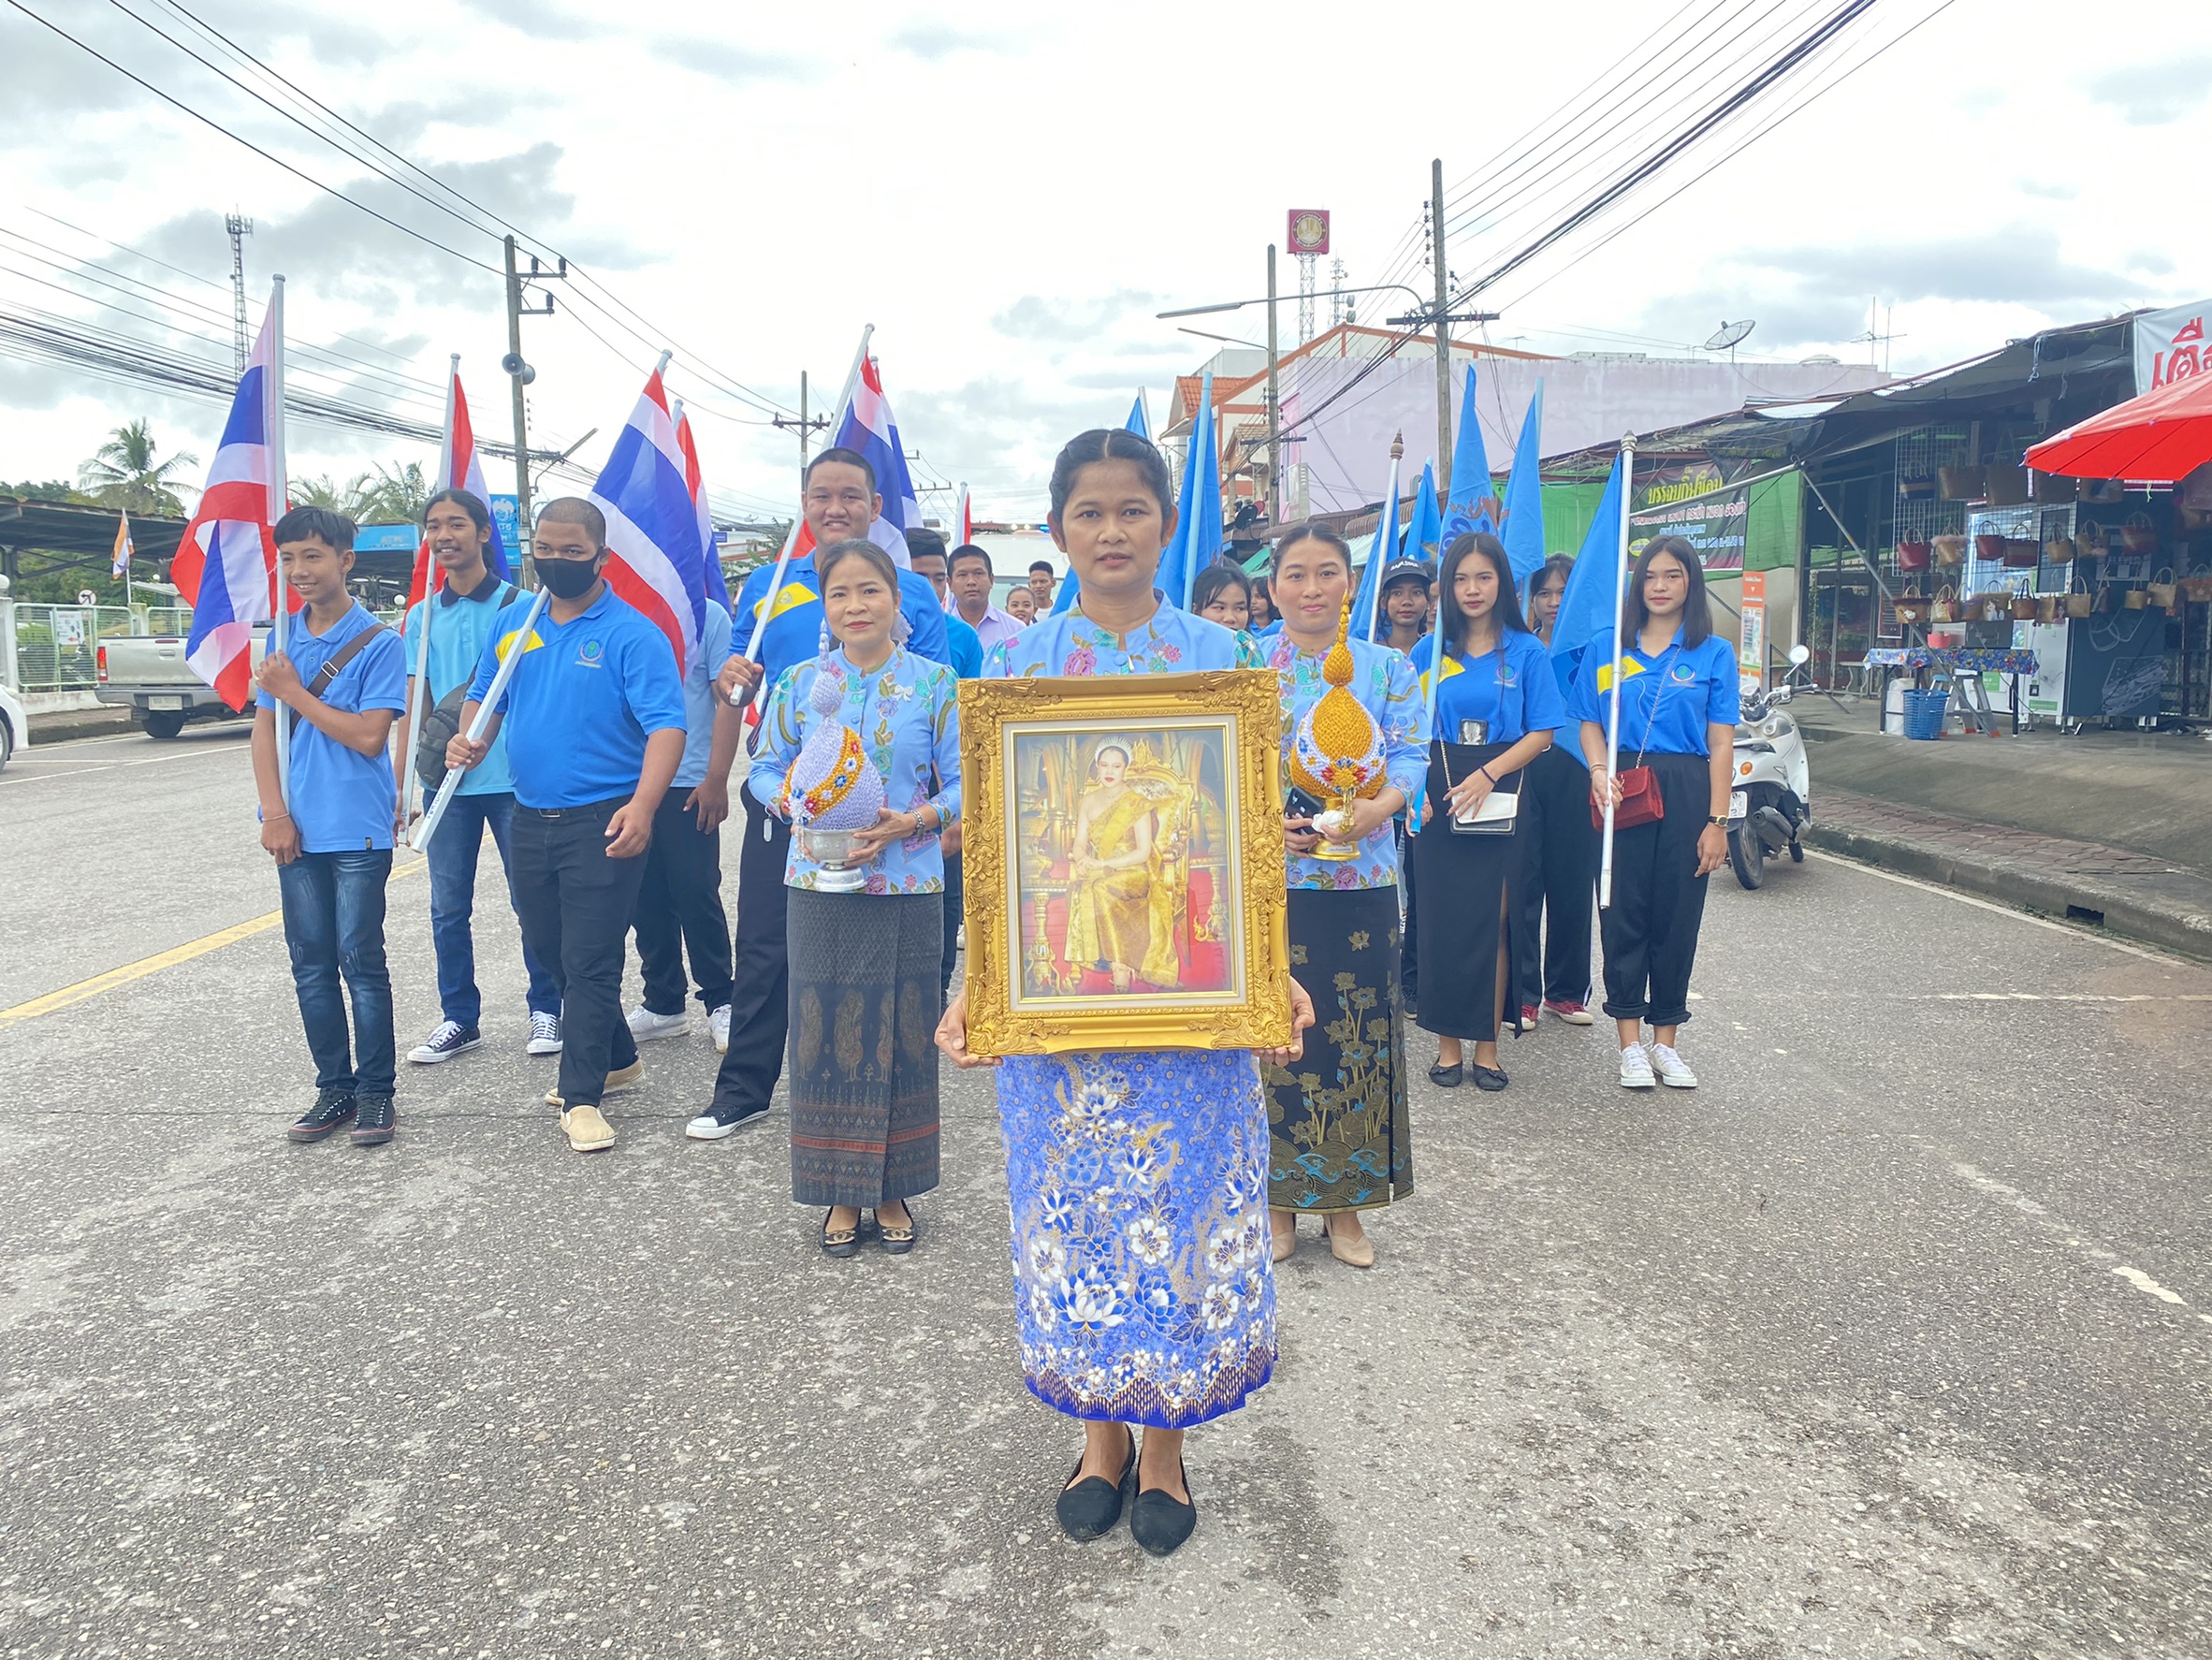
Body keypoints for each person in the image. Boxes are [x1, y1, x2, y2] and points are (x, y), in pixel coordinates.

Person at [938, 427, 1315, 1560]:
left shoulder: (1223, 660)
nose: (1111, 532)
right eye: (1089, 513)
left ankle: (1167, 1445)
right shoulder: (1016, 672)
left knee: (1180, 1215)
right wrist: (977, 980)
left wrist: (1274, 965)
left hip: (1187, 994)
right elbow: (1001, 854)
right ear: (1058, 529)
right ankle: (1098, 1437)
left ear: (1165, 524)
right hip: (1062, 1004)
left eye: (1132, 511)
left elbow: (1251, 843)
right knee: (1078, 1218)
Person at [707, 449, 952, 1140]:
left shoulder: (915, 594)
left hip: (897, 837)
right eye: (821, 494)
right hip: (797, 816)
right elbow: (740, 696)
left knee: (899, 997)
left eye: (851, 495)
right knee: (765, 948)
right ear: (804, 502)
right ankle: (745, 1088)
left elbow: (939, 704)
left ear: (876, 507)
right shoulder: (765, 582)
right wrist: (754, 781)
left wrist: (925, 816)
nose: (835, 506)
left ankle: (895, 1145)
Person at [446, 498, 687, 1153]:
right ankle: (617, 1057)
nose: (556, 562)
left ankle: (581, 1096)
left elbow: (667, 724)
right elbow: (485, 694)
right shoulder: (517, 623)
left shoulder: (632, 634)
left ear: (601, 558)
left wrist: (642, 806)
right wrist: (468, 738)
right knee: (550, 949)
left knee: (590, 959)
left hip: (605, 819)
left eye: (572, 552)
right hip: (529, 816)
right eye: (544, 551)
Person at [750, 538, 959, 1256]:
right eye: (840, 593)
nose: (855, 605)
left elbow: (967, 781)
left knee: (901, 1032)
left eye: (869, 590)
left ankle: (892, 1187)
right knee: (824, 1035)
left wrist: (917, 819)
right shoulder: (799, 684)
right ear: (826, 606)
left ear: (895, 600)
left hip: (908, 881)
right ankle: (840, 1190)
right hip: (818, 884)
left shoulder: (936, 685)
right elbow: (763, 769)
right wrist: (791, 806)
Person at [1263, 525, 1426, 1269]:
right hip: (1273, 885)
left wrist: (1378, 807)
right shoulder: (1248, 665)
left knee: (1355, 1037)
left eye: (1326, 572)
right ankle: (1279, 1200)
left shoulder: (1388, 667)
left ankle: (1347, 1203)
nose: (1310, 588)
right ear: (1273, 589)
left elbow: (1412, 753)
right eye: (1294, 574)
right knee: (1276, 1040)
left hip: (1361, 882)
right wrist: (1267, 823)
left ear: (1349, 584)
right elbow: (1220, 756)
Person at [252, 506, 408, 1148]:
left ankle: (376, 1093)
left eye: (312, 556)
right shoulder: (280, 638)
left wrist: (295, 693)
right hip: (296, 829)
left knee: (359, 960)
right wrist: (275, 813)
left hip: (358, 830)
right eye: (288, 558)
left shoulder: (381, 642)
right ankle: (333, 1088)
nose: (299, 571)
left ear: (346, 560)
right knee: (309, 964)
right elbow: (262, 733)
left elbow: (369, 737)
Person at [394, 489, 563, 1068]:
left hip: (515, 781)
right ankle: (459, 1019)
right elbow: (413, 705)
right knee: (447, 907)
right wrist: (400, 787)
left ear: (484, 533)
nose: (445, 535)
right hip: (444, 787)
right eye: (434, 526)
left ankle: (548, 1007)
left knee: (532, 901)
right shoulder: (419, 617)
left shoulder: (522, 607)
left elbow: (534, 691)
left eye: (457, 524)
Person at [1572, 534, 1739, 1091]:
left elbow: (1720, 744)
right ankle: (1629, 1044)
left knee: (1677, 915)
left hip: (1688, 788)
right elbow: (1589, 722)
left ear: (1691, 584)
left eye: (1673, 575)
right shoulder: (1607, 647)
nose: (1660, 586)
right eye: (1650, 576)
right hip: (1621, 787)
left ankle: (1666, 1041)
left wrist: (1718, 822)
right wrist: (1598, 771)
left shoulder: (1713, 652)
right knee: (1622, 910)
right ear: (1636, 584)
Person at [1407, 532, 1564, 1092]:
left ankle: (1488, 1049)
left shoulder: (1527, 652)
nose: (1472, 590)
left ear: (1503, 583)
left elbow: (1543, 731)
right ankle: (1448, 1045)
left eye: (1484, 577)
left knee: (1497, 924)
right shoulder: (1429, 651)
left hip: (1502, 788)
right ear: (1446, 588)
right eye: (1460, 579)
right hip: (1437, 786)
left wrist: (1490, 772)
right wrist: (1413, 789)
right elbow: (1409, 730)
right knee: (1442, 922)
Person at [625, 591, 737, 1051]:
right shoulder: (620, 609)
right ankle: (663, 1003)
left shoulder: (705, 614)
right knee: (643, 898)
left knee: (695, 892)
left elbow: (727, 698)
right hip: (625, 781)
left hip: (688, 780)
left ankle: (721, 999)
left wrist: (717, 777)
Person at [1518, 554, 1600, 1027]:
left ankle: (1567, 992)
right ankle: (1524, 993)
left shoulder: (1594, 655)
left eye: (1562, 592)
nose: (1552, 602)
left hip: (1579, 772)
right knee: (1524, 881)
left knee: (1573, 881)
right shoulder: (1523, 651)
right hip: (1527, 772)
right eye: (1544, 593)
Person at [906, 529, 983, 677]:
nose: (932, 589)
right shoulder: (873, 633)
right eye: (920, 579)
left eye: (939, 579)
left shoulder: (964, 636)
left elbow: (974, 698)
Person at [949, 543, 1021, 653]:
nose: (971, 582)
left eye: (978, 573)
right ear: (950, 584)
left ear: (991, 580)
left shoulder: (1015, 629)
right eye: (962, 575)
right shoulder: (940, 631)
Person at [1378, 557, 1434, 657]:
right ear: (1383, 602)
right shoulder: (1372, 653)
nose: (1407, 601)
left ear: (1428, 602)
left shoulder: (1436, 653)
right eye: (1397, 593)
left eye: (1416, 592)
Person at [1190, 561, 1252, 633]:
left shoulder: (1258, 643)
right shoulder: (1178, 643)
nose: (1230, 618)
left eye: (1239, 609)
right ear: (1196, 612)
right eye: (1220, 608)